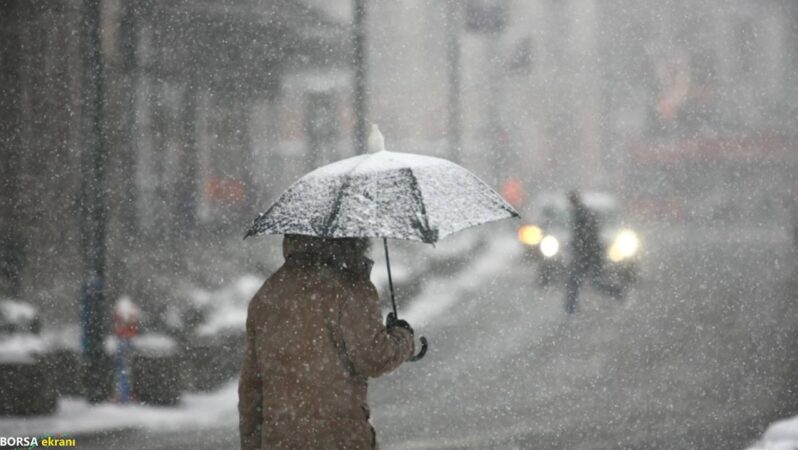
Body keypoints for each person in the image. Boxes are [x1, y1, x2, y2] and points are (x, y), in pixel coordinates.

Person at [239, 234, 415, 450]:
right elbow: (374, 357)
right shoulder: (351, 287)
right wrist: (402, 337)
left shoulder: (268, 293)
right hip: (339, 438)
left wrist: (252, 442)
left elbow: (251, 387)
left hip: (280, 440)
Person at [564, 191, 605, 313]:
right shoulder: (584, 212)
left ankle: (570, 308)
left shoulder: (580, 214)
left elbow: (582, 236)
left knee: (575, 281)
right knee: (593, 281)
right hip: (590, 254)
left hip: (585, 255)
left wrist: (578, 248)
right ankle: (617, 292)